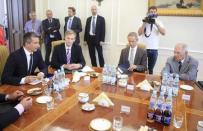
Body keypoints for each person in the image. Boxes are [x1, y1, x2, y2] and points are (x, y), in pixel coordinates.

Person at [138, 6, 165, 74]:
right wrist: (144, 23)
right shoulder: (144, 21)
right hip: (143, 48)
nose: (152, 13)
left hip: (154, 49)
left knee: (150, 69)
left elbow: (163, 33)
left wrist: (155, 23)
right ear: (148, 13)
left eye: (154, 12)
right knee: (141, 68)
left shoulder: (159, 22)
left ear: (156, 13)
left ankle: (148, 83)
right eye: (151, 12)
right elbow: (139, 33)